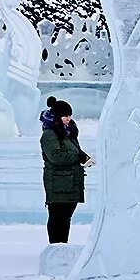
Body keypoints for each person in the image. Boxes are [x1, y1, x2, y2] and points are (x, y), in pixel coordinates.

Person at [40, 96, 93, 245]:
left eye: (69, 115)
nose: (68, 119)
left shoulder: (68, 132)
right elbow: (55, 156)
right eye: (65, 116)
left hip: (68, 181)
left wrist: (83, 156)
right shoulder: (49, 134)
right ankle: (56, 247)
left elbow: (73, 151)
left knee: (65, 217)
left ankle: (62, 247)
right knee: (58, 216)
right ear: (57, 116)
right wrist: (77, 156)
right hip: (58, 182)